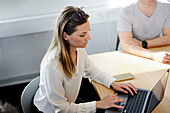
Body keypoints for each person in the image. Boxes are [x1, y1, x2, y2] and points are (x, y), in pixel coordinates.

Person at [34, 6, 137, 113]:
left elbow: (92, 71)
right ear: (65, 36)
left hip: (69, 102)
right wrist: (99, 104)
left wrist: (113, 82)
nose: (89, 38)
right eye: (82, 35)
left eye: (88, 31)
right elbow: (61, 109)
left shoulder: (78, 49)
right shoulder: (52, 65)